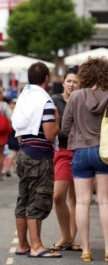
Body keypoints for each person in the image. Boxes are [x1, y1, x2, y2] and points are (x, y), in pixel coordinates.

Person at [11, 61, 61, 258]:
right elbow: (49, 134)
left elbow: (18, 130)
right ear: (46, 79)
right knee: (38, 199)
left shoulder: (23, 99)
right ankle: (37, 246)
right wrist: (58, 122)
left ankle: (23, 245)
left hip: (24, 153)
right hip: (39, 155)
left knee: (23, 199)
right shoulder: (45, 102)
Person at [62, 57, 108, 262]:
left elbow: (64, 127)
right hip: (104, 152)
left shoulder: (76, 96)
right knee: (105, 202)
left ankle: (86, 250)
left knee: (82, 202)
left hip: (80, 151)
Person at [50, 66, 82, 252]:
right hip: (61, 151)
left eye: (75, 81)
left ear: (80, 84)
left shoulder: (82, 101)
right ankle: (66, 236)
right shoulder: (55, 101)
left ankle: (72, 239)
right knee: (58, 195)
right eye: (69, 81)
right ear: (63, 82)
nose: (71, 84)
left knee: (77, 199)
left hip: (79, 151)